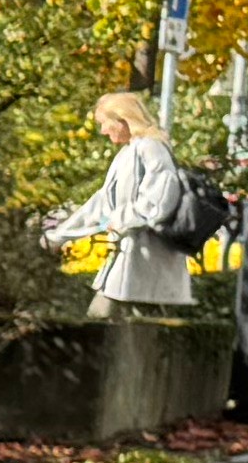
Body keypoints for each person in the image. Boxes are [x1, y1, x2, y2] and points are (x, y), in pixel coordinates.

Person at [59, 91, 206, 312]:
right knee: (118, 322)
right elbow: (102, 203)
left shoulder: (151, 147)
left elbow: (158, 202)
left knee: (108, 319)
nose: (103, 130)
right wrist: (61, 233)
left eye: (105, 123)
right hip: (134, 257)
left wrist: (117, 220)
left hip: (147, 258)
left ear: (122, 120)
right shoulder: (130, 152)